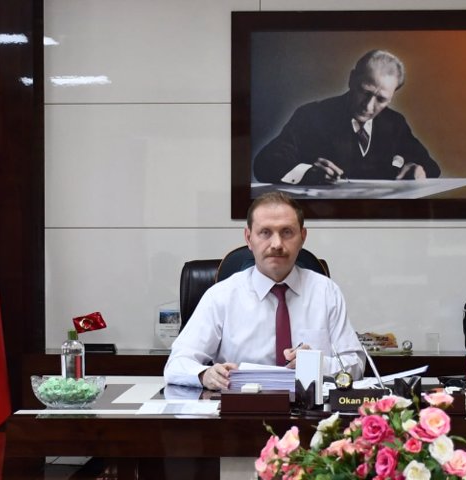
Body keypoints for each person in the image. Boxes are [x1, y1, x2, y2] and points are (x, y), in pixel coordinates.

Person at [164, 192, 366, 389]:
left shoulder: (326, 292)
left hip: (312, 407)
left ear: (302, 237)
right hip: (242, 407)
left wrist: (318, 364)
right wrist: (204, 374)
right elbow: (177, 363)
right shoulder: (221, 296)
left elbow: (356, 364)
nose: (277, 244)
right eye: (265, 232)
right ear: (248, 238)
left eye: (287, 232)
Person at [253, 49, 441, 185]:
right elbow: (265, 163)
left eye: (381, 99)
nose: (368, 106)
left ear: (392, 96)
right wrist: (308, 172)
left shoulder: (394, 123)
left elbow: (431, 167)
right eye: (365, 92)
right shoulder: (311, 116)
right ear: (352, 79)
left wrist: (418, 170)